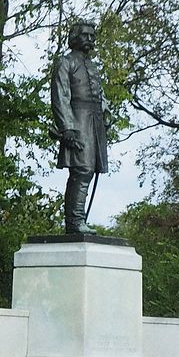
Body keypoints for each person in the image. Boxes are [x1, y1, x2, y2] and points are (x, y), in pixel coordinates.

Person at [51, 21, 109, 234]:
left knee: (91, 170)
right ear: (75, 37)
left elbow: (100, 95)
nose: (91, 40)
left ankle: (78, 219)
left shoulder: (92, 66)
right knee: (82, 170)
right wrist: (67, 127)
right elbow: (61, 96)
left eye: (93, 36)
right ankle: (74, 221)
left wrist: (106, 113)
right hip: (78, 120)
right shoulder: (65, 62)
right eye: (86, 35)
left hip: (95, 122)